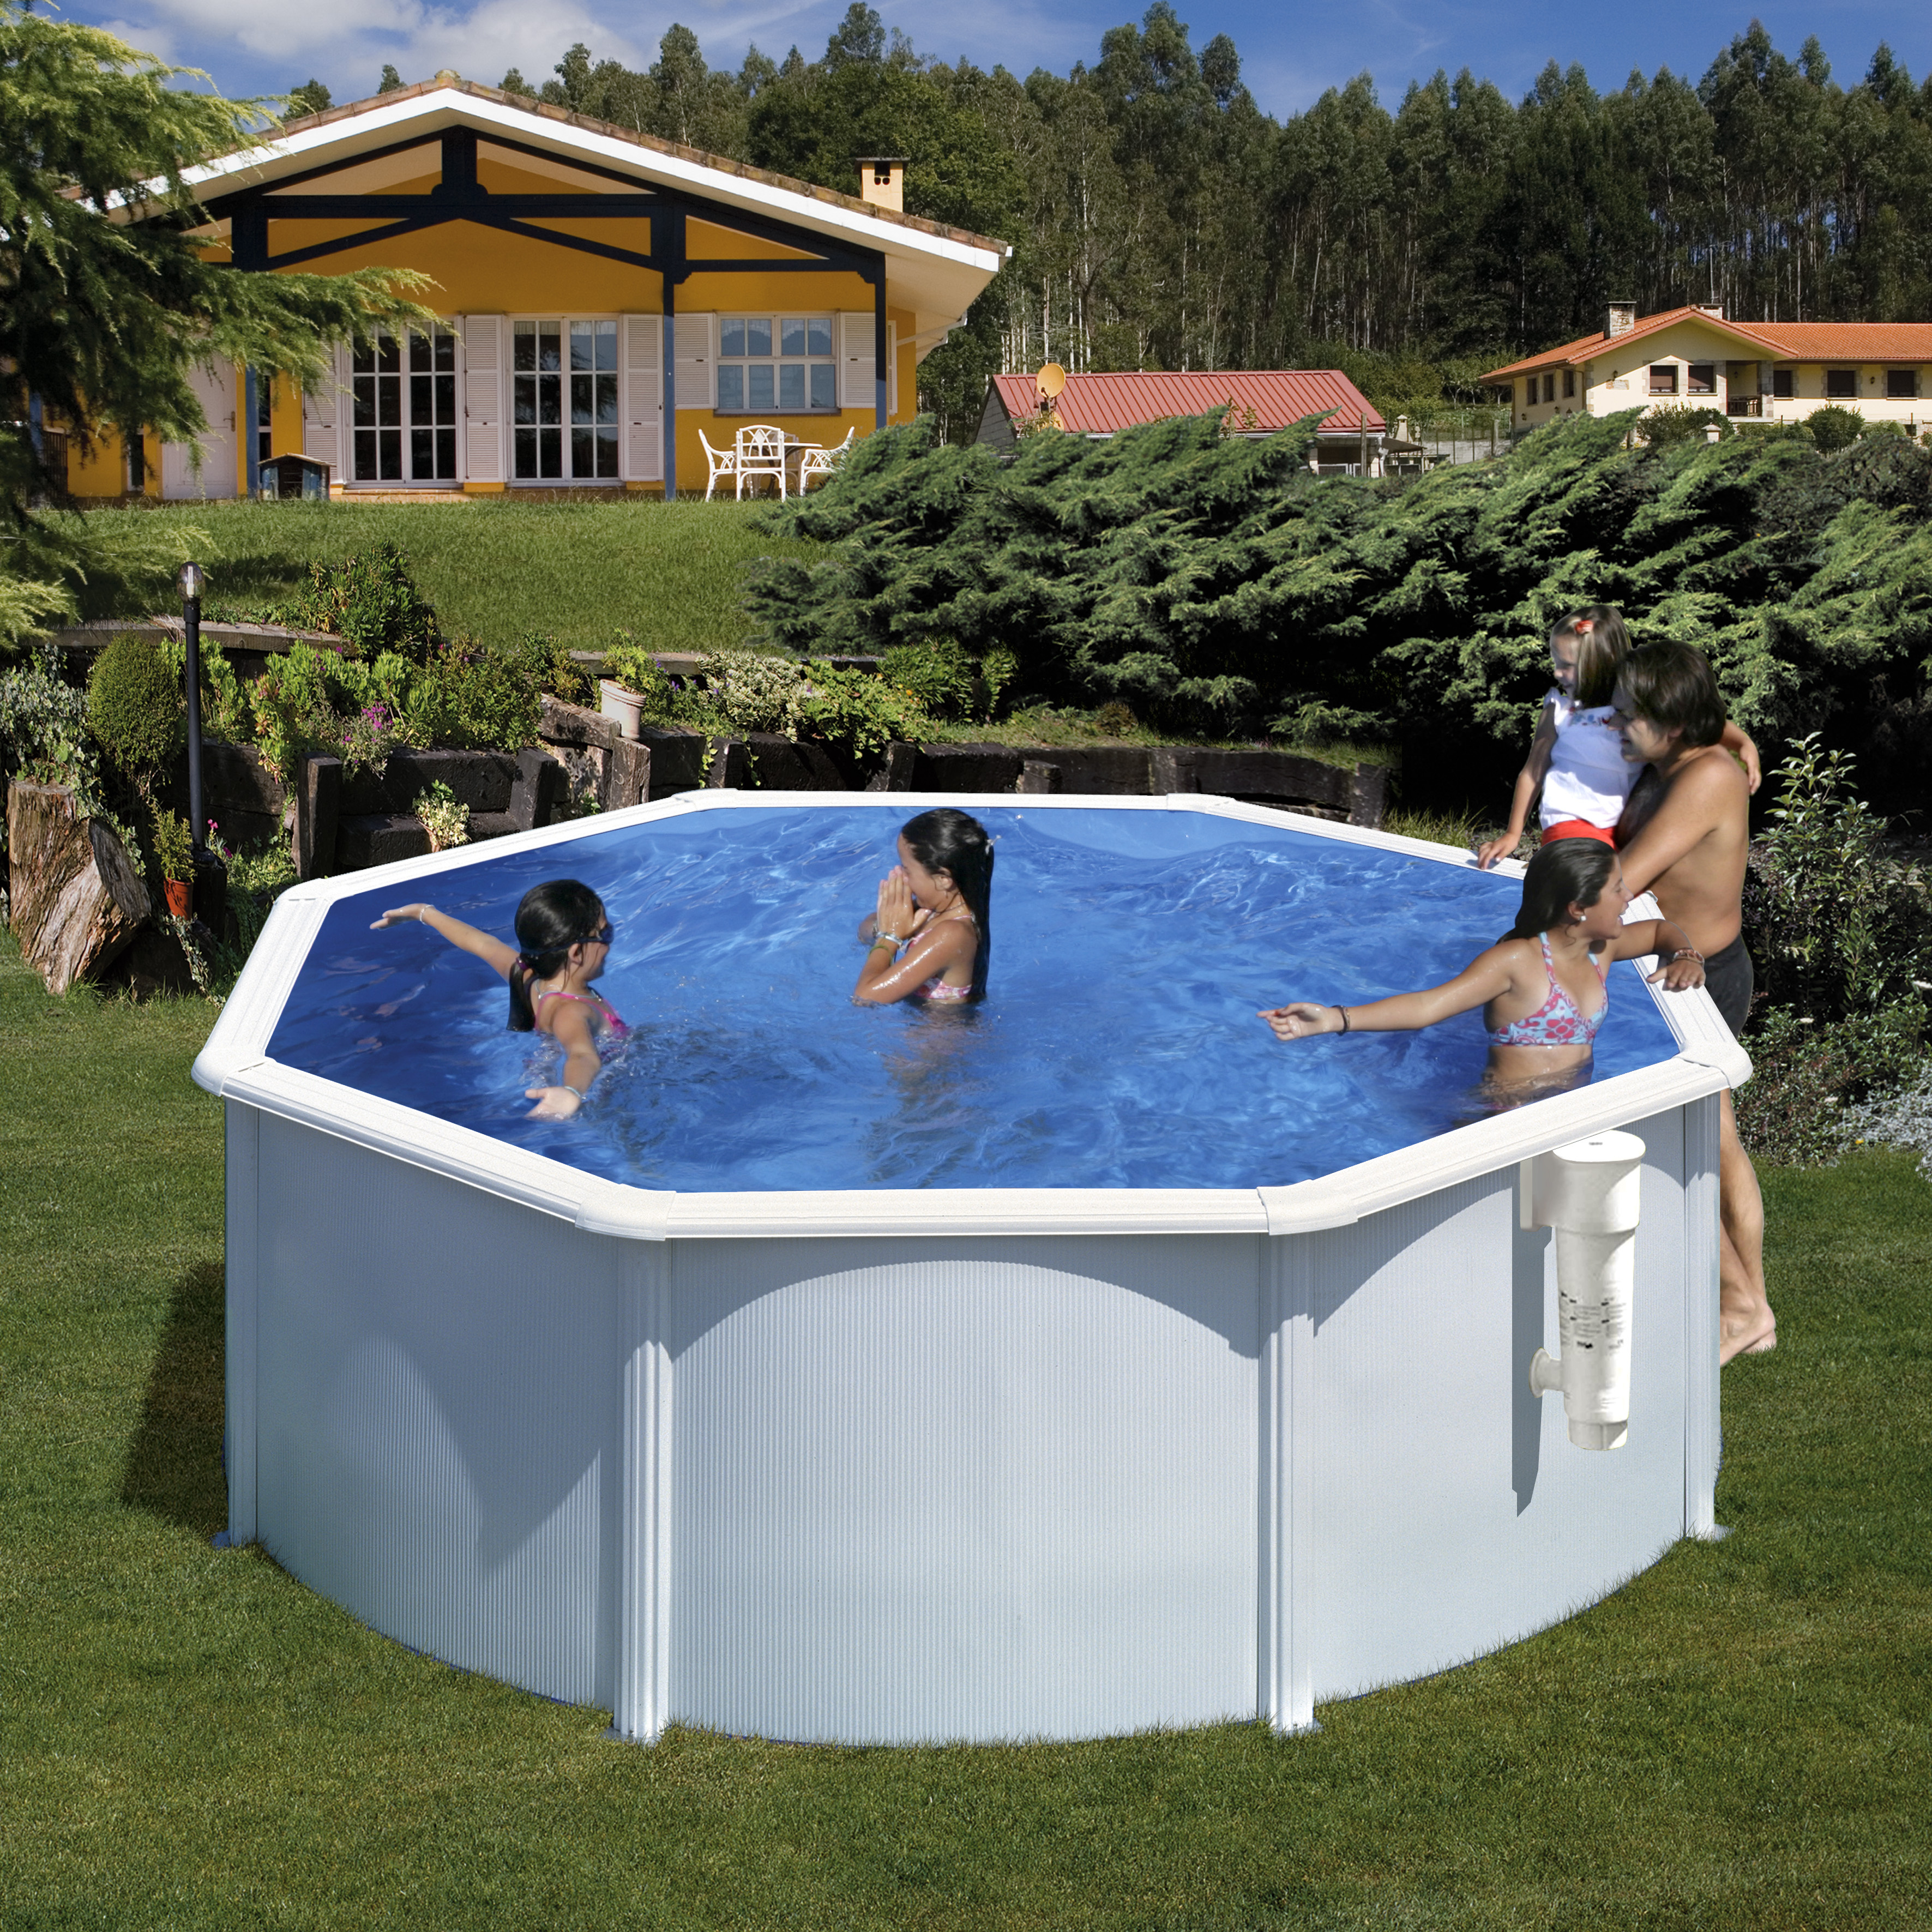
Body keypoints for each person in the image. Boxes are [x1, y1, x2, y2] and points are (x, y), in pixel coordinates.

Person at [1611, 641, 1775, 1361]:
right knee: (1716, 1140)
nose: (1616, 724)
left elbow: (1619, 883)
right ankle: (1752, 1312)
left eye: (1629, 715)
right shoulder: (1690, 753)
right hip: (1689, 971)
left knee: (1673, 1149)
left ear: (1672, 724)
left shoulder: (1706, 776)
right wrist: (1739, 733)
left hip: (1694, 982)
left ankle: (1738, 1306)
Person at [1260, 839, 1705, 1094]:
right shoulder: (1516, 961)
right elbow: (1428, 1006)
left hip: (1572, 1101)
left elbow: (1659, 930)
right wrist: (1333, 1018)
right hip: (1505, 1112)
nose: (1628, 896)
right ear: (1578, 908)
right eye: (1617, 888)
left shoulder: (1599, 949)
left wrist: (1685, 955)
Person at [1477, 606, 1759, 869]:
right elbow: (1533, 772)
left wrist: (1743, 743)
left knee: (1622, 887)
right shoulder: (1561, 712)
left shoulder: (1629, 705)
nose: (1557, 672)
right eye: (1556, 662)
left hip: (1620, 828)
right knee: (1595, 884)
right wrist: (1513, 833)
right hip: (1572, 822)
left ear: (1601, 663)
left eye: (1567, 665)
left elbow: (1689, 715)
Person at [371, 878, 622, 1118]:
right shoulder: (572, 1011)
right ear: (577, 953)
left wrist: (425, 913)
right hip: (608, 1092)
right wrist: (572, 1091)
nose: (610, 942)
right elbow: (582, 1055)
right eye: (606, 933)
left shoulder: (525, 978)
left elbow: (482, 944)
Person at [854, 808, 994, 1005]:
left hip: (945, 1026)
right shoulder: (933, 909)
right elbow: (863, 931)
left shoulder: (952, 934)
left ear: (943, 879)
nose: (900, 875)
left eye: (907, 870)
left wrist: (889, 937)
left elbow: (865, 998)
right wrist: (887, 926)